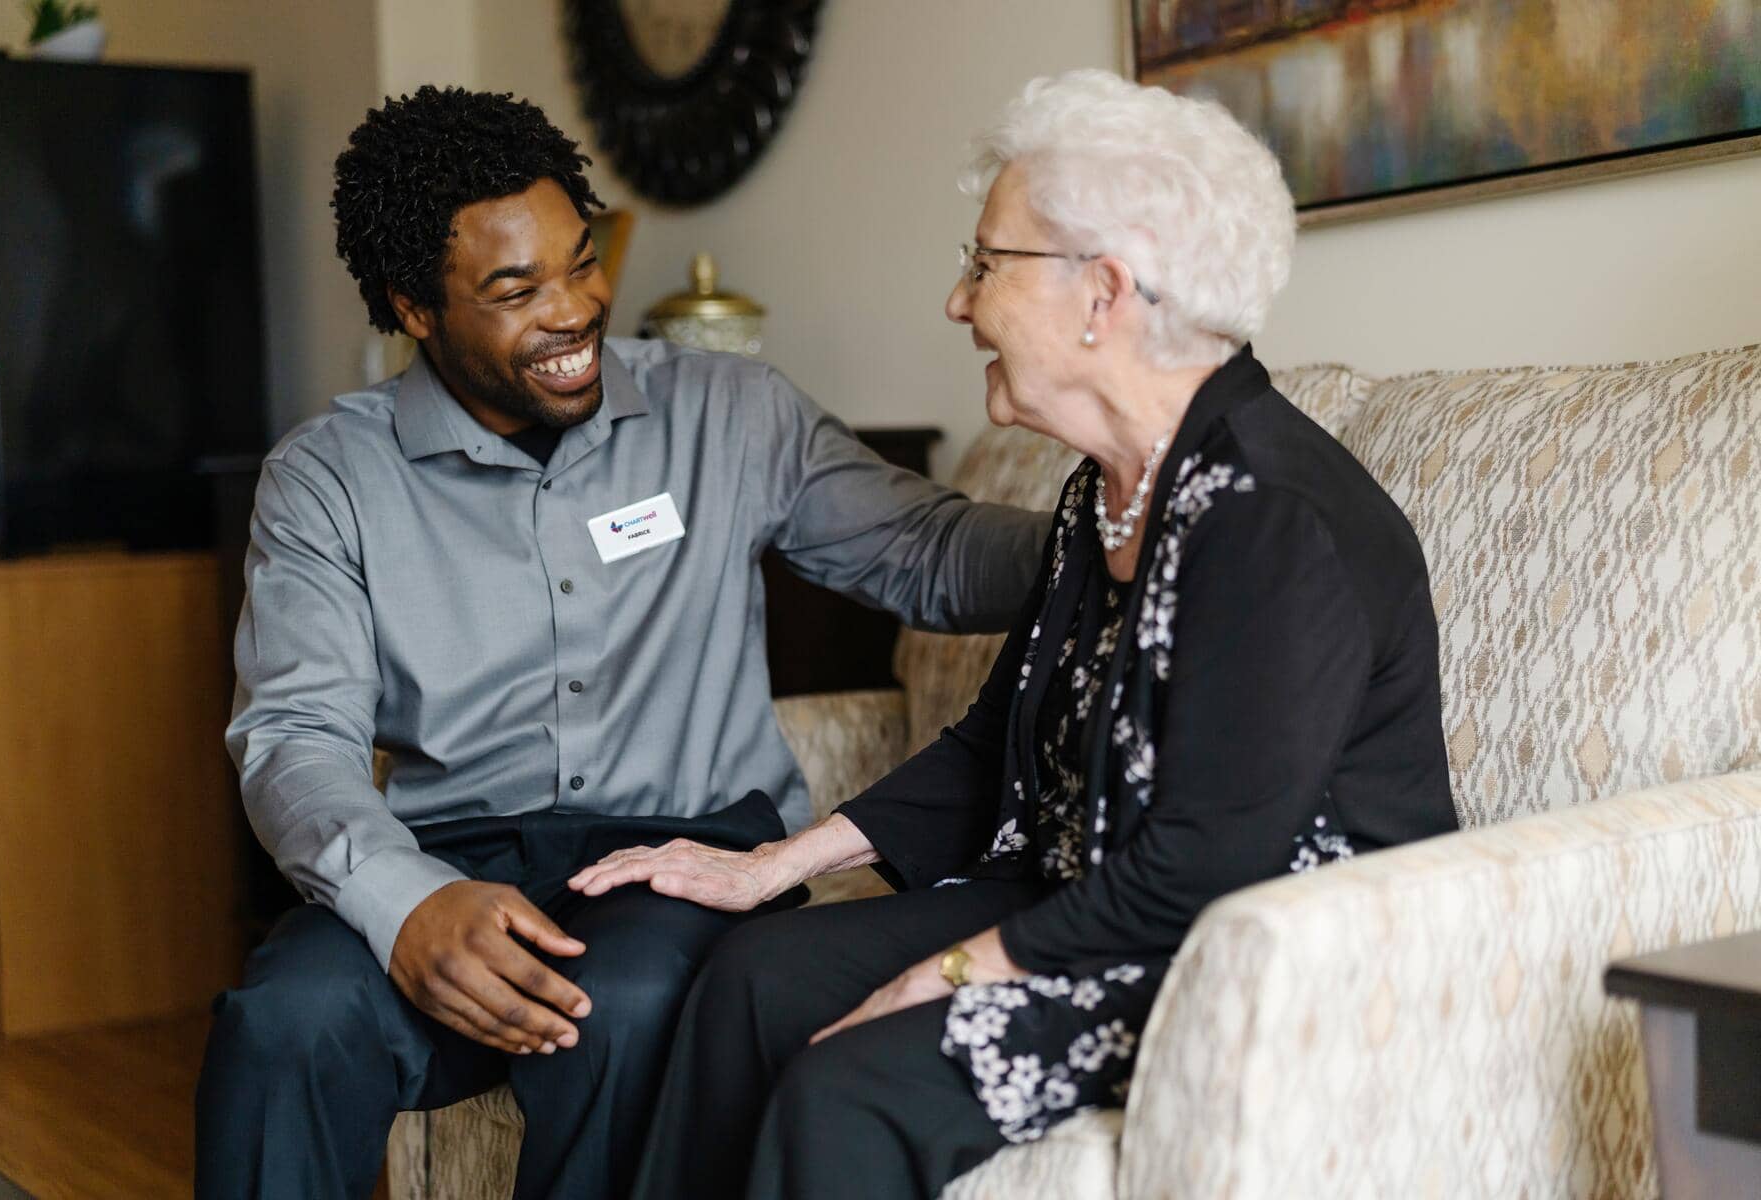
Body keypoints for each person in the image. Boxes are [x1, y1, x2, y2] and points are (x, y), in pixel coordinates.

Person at [570, 69, 1459, 1199]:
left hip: (1250, 953)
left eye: (985, 263)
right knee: (751, 976)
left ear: (1104, 292)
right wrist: (769, 869)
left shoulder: (1274, 522)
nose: (957, 300)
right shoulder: (1107, 495)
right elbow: (998, 746)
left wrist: (953, 970)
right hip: (1093, 891)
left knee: (847, 1089)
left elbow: (1207, 863)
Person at [193, 85, 1047, 1200]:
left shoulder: (730, 413)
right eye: (516, 290)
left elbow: (927, 553)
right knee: (284, 1021)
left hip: (683, 859)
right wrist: (406, 903)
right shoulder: (327, 480)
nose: (574, 309)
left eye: (582, 261)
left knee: (627, 1004)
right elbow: (294, 735)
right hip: (454, 857)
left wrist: (1132, 525)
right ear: (412, 306)